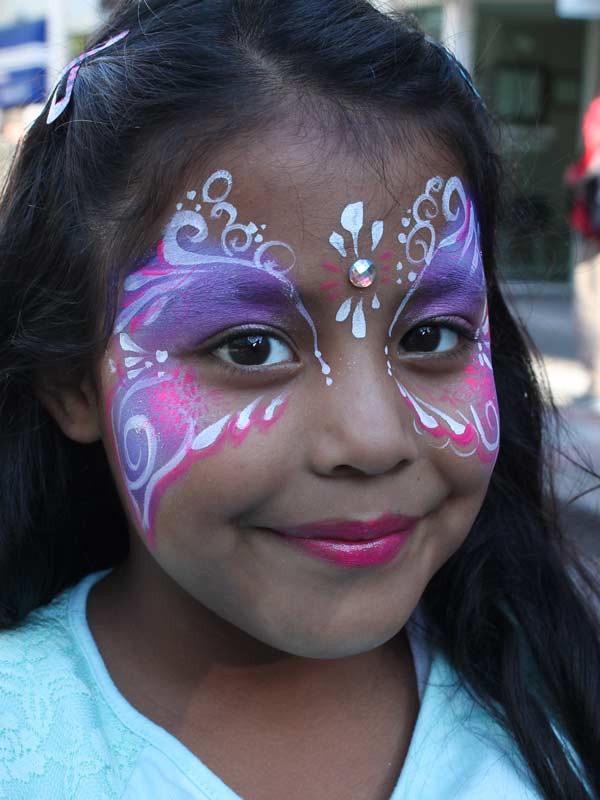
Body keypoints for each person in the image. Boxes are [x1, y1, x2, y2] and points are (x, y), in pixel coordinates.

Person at [0, 1, 598, 798]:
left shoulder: (553, 693)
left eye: (430, 336)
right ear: (74, 378)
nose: (373, 437)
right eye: (249, 346)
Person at [566, 96, 600, 411]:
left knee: (591, 302)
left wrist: (577, 177)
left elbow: (594, 163)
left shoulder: (597, 110)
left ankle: (597, 385)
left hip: (594, 232)